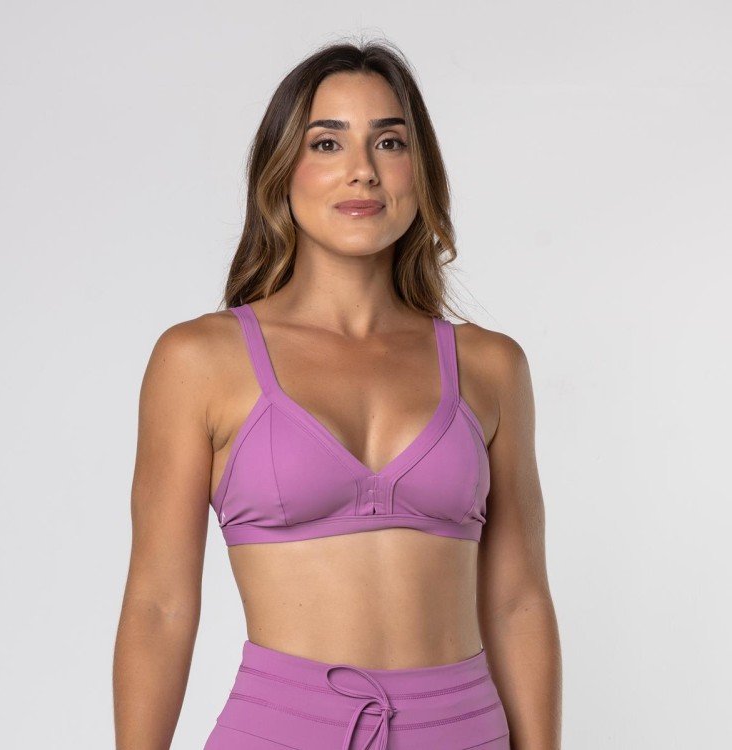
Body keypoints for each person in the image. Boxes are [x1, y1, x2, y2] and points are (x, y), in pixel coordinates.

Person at [113, 39, 562, 750]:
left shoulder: (490, 365)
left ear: (420, 170)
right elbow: (159, 605)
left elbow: (518, 602)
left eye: (390, 142)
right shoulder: (199, 360)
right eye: (327, 143)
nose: (363, 170)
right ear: (281, 171)